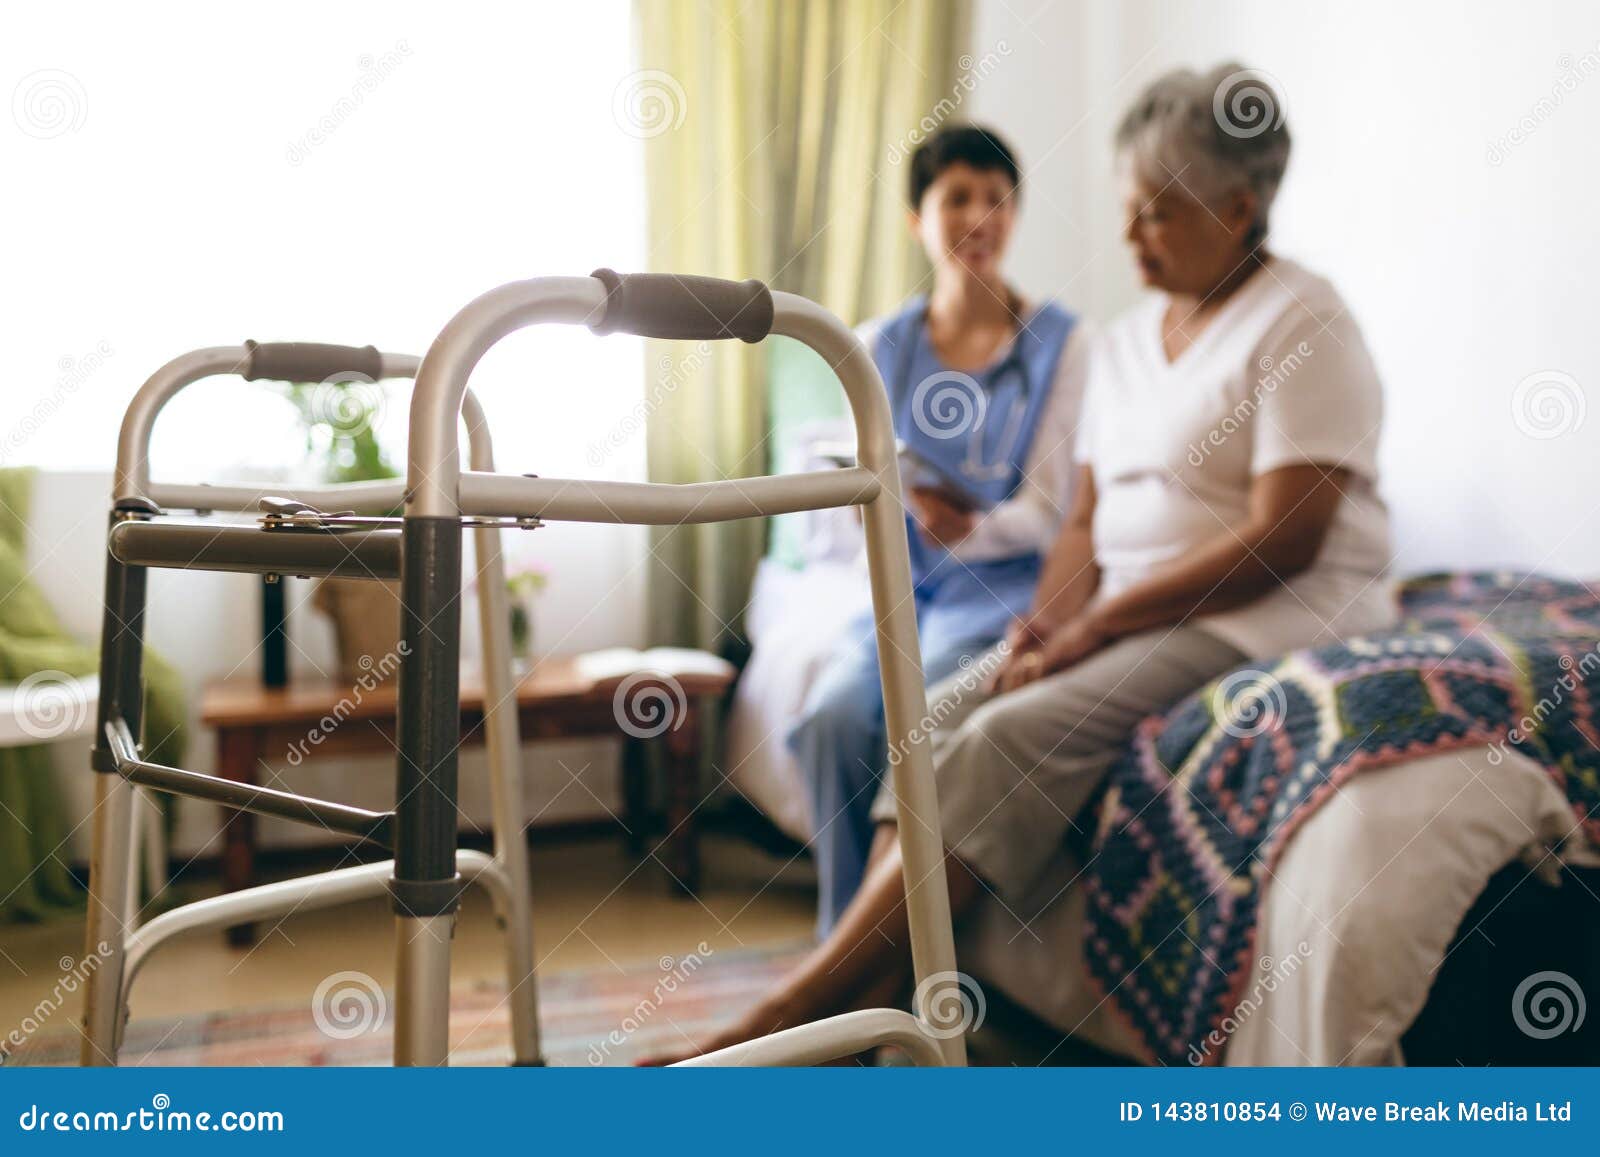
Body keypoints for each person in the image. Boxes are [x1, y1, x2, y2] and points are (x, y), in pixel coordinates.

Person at [647, 63, 1396, 1064]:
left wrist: (1094, 630)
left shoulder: (1302, 321)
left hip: (1259, 614)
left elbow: (1283, 538)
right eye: (1128, 212)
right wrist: (1046, 625)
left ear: (1239, 205)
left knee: (1003, 741)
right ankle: (884, 1004)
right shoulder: (1129, 342)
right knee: (938, 717)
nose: (1129, 236)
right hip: (1130, 611)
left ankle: (786, 1024)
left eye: (1156, 215)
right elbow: (1082, 523)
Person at [786, 124, 1090, 937]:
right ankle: (844, 953)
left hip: (1003, 596)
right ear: (917, 219)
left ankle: (893, 963)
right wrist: (868, 507)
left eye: (998, 199)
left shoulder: (1063, 345)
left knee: (914, 717)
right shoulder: (879, 345)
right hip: (898, 593)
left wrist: (963, 526)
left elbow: (1052, 510)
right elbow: (837, 514)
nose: (980, 217)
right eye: (958, 197)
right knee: (832, 719)